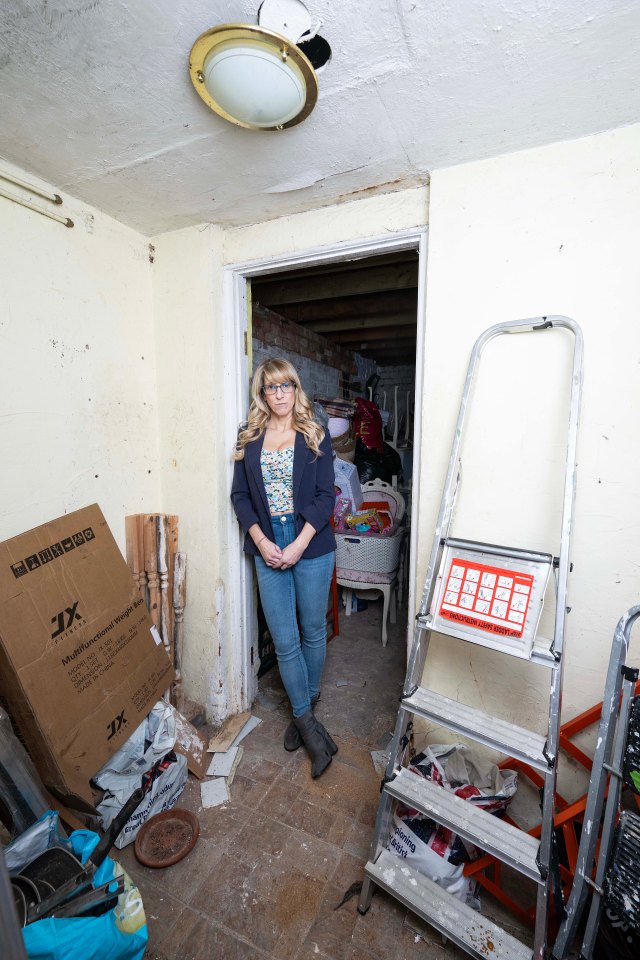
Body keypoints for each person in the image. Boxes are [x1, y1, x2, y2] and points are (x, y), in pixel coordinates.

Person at [230, 357, 338, 779]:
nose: (280, 395)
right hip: (266, 542)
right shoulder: (250, 438)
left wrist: (298, 543)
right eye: (271, 388)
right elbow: (240, 496)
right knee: (284, 637)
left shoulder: (315, 435)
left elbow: (327, 496)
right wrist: (261, 540)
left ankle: (303, 713)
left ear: (296, 389)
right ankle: (306, 720)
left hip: (310, 541)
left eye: (286, 386)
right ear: (262, 394)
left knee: (313, 630)